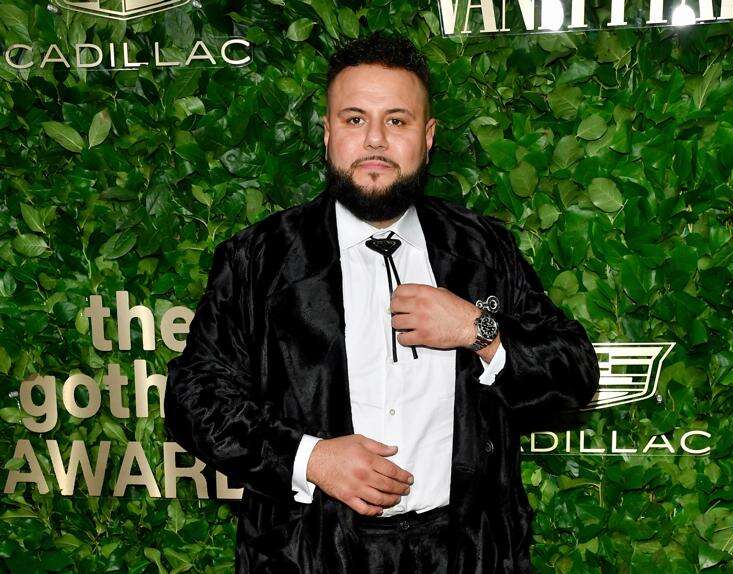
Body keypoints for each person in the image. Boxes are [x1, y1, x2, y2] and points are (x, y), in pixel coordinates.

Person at [164, 31, 600, 574]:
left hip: (466, 553)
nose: (375, 140)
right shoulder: (260, 258)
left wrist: (478, 328)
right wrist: (311, 457)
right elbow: (195, 399)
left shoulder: (482, 248)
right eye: (354, 119)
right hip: (309, 554)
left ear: (428, 136)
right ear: (328, 134)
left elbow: (574, 371)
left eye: (397, 121)